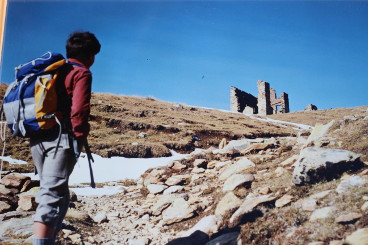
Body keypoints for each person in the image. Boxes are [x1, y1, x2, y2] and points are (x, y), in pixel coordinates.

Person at [31, 31, 100, 245]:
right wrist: (79, 135)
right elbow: (79, 110)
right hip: (61, 139)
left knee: (56, 192)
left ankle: (50, 240)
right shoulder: (82, 73)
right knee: (52, 195)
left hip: (38, 138)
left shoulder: (51, 71)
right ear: (90, 56)